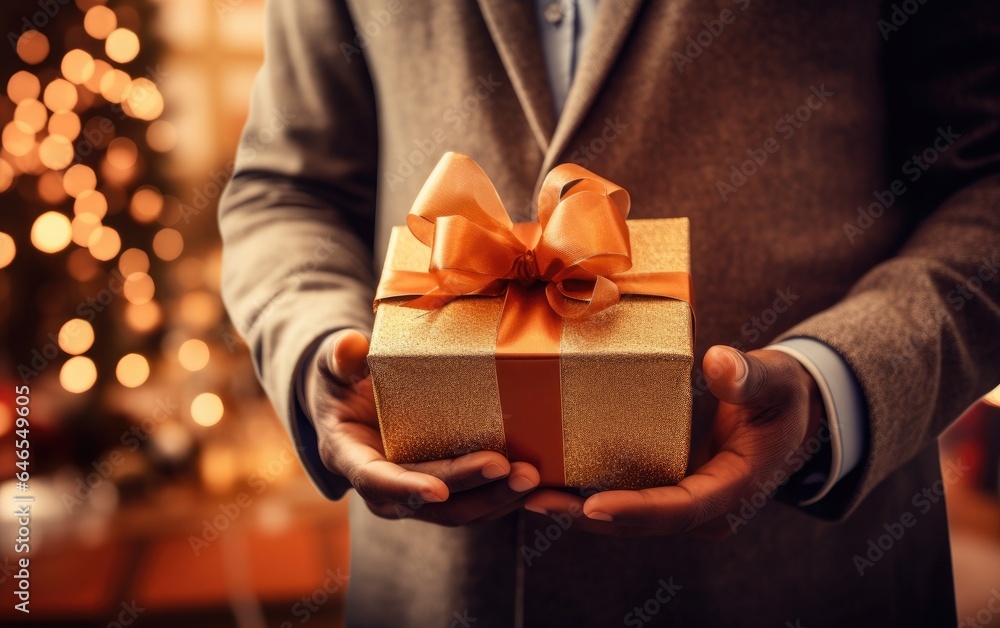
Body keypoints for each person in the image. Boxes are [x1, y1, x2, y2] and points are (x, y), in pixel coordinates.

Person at [219, 1, 1000, 625]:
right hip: (435, 592)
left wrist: (837, 386)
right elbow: (285, 187)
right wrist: (319, 346)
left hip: (804, 579)